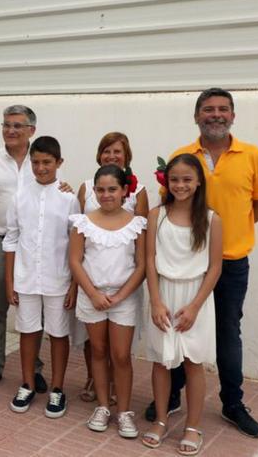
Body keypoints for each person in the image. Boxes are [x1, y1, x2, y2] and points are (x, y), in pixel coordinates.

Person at [144, 88, 258, 439]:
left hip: (228, 264)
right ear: (197, 116)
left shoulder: (253, 156)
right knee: (176, 328)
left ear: (232, 115)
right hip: (181, 269)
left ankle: (233, 403)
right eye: (207, 109)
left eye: (222, 109)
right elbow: (168, 210)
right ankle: (169, 397)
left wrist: (229, 235)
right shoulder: (182, 156)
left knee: (227, 334)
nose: (215, 115)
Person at [140, 154, 223, 456]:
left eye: (187, 179)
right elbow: (149, 259)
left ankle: (193, 425)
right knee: (162, 361)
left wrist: (195, 307)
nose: (180, 185)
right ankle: (161, 419)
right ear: (167, 181)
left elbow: (214, 267)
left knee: (193, 362)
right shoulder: (156, 215)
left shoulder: (212, 219)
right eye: (175, 179)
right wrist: (155, 302)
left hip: (194, 298)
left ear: (199, 181)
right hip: (164, 294)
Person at [0, 105, 49, 392]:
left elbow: (51, 190)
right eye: (6, 125)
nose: (10, 130)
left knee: (34, 309)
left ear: (31, 130)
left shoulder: (39, 161)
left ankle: (35, 367)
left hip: (32, 245)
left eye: (17, 125)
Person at [3, 136, 80, 418]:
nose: (41, 167)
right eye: (35, 162)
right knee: (28, 331)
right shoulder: (20, 196)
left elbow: (76, 243)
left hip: (58, 279)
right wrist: (10, 282)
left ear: (59, 163)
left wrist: (74, 284)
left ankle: (58, 388)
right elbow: (11, 239)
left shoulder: (69, 198)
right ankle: (28, 383)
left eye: (47, 162)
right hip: (25, 278)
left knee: (59, 333)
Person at [69, 164, 147, 438]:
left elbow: (141, 266)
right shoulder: (83, 222)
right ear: (94, 191)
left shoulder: (137, 223)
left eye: (112, 189)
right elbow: (75, 261)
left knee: (121, 355)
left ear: (125, 191)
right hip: (92, 296)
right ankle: (103, 406)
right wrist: (93, 294)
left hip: (123, 297)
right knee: (98, 351)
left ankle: (124, 411)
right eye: (100, 190)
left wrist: (120, 296)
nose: (106, 195)